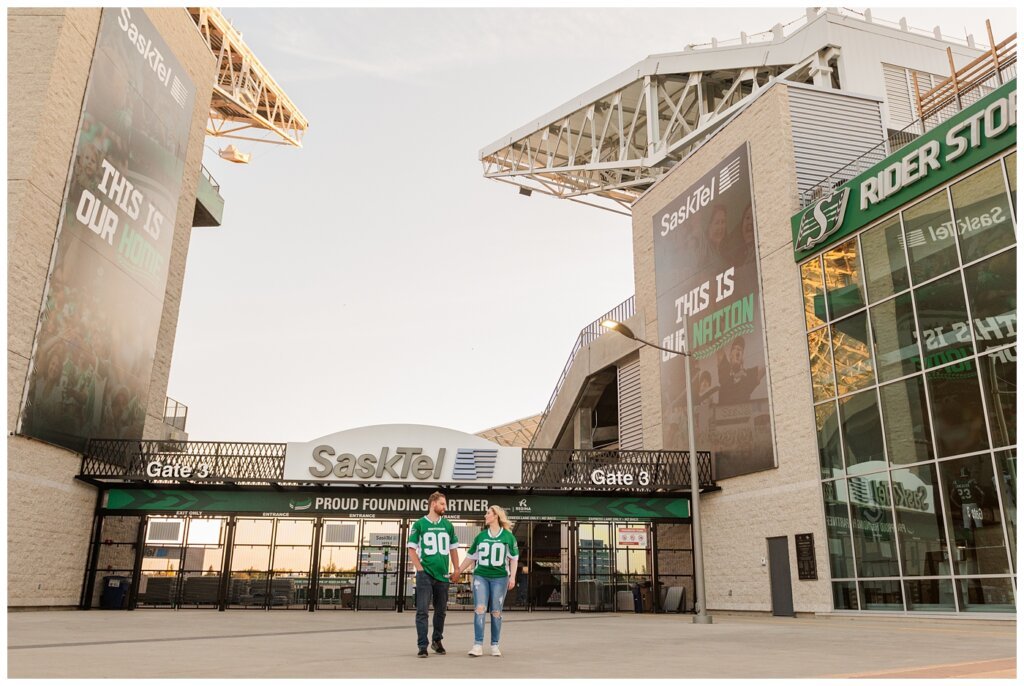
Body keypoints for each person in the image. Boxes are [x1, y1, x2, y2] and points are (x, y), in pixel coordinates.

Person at [454, 505, 519, 657]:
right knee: (480, 608)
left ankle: (495, 645)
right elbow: (471, 557)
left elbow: (514, 559)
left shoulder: (508, 537)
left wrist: (513, 577)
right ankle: (477, 644)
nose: (485, 515)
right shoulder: (481, 536)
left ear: (495, 516)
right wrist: (458, 571)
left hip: (500, 578)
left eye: (488, 513)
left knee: (496, 611)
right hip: (481, 576)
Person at [407, 491, 460, 658]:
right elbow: (411, 549)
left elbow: (453, 549)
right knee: (422, 610)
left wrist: (457, 568)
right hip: (425, 574)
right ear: (433, 504)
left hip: (443, 574)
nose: (445, 507)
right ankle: (422, 645)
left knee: (441, 611)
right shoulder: (420, 524)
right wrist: (420, 569)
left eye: (445, 504)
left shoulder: (448, 525)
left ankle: (437, 640)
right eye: (442, 504)